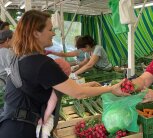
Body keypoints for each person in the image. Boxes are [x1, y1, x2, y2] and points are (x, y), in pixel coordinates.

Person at [0, 10, 128, 138]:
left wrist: (88, 85)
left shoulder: (22, 58)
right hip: (21, 129)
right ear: (36, 33)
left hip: (11, 124)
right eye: (50, 30)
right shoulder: (42, 63)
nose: (54, 33)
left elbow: (65, 88)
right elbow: (78, 93)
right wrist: (110, 89)